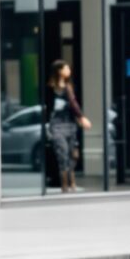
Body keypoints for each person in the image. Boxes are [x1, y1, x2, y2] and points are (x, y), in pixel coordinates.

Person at [44, 60, 92, 193]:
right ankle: (64, 184)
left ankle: (72, 183)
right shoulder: (50, 88)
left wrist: (79, 118)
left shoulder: (68, 87)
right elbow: (48, 108)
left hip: (70, 125)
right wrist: (82, 117)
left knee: (73, 154)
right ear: (59, 71)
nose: (69, 71)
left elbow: (73, 104)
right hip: (57, 125)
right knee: (62, 153)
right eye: (66, 68)